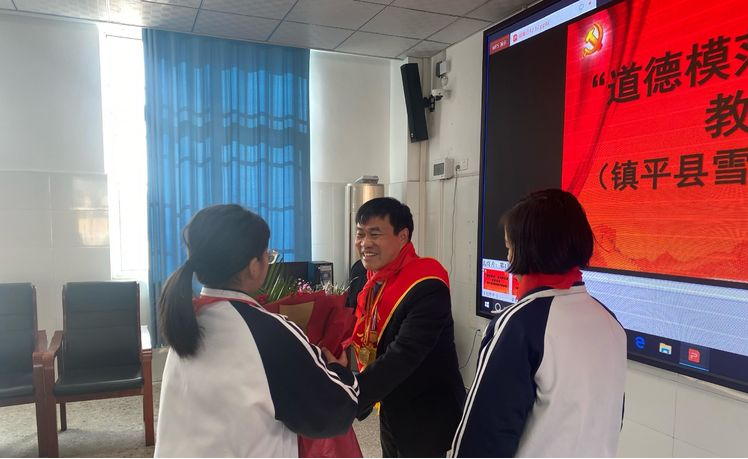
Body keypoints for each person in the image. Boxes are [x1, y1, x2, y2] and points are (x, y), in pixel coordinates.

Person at [154, 204, 358, 458]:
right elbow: (333, 413)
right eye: (267, 255)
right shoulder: (269, 332)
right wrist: (339, 370)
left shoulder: (187, 318)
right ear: (254, 266)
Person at [451, 189, 626, 458]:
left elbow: (485, 435)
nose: (508, 258)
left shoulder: (521, 324)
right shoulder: (610, 322)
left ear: (526, 250)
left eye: (509, 247)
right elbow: (613, 416)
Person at [351, 197, 466, 458]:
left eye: (375, 234)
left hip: (426, 412)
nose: (364, 243)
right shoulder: (367, 277)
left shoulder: (427, 282)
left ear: (402, 236)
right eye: (360, 234)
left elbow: (404, 354)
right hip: (389, 401)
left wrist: (351, 394)